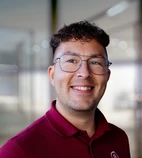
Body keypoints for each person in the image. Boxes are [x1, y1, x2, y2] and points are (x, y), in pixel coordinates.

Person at [0, 21, 131, 158]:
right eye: (71, 61)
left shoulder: (118, 138)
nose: (84, 73)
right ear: (52, 75)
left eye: (95, 62)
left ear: (107, 76)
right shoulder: (17, 151)